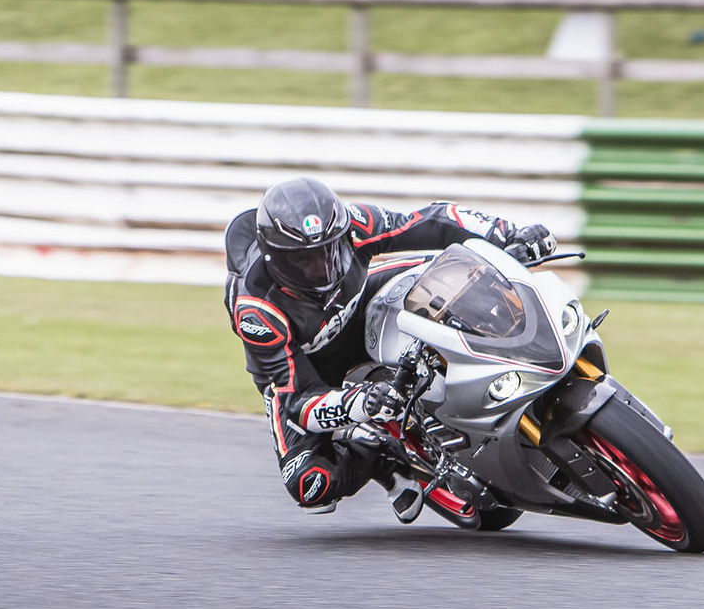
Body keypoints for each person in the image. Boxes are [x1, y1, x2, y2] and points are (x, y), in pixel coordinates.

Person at [224, 178, 559, 514]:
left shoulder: (352, 224)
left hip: (363, 302)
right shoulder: (256, 310)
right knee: (310, 484)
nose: (322, 268)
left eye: (330, 250)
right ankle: (380, 453)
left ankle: (523, 357)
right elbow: (297, 400)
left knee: (454, 272)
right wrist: (358, 404)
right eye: (303, 261)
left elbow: (432, 220)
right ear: (275, 259)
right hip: (310, 368)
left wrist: (508, 234)